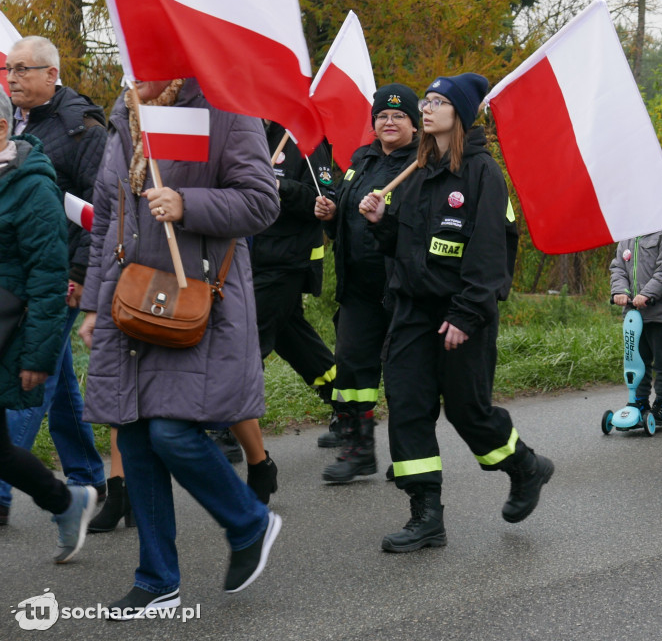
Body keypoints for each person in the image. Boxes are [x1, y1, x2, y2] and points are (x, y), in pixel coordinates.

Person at [78, 78, 282, 614]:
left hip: (200, 307)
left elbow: (261, 202)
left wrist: (186, 203)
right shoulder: (125, 115)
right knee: (138, 436)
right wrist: (96, 306)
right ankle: (157, 580)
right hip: (132, 305)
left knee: (172, 431)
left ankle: (249, 523)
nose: (136, 61)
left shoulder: (225, 106)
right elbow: (105, 220)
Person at [359, 73, 553, 553]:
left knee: (469, 412)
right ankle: (426, 516)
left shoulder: (483, 173)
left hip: (461, 314)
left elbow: (491, 254)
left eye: (438, 102)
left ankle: (525, 467)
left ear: (461, 114)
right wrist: (381, 224)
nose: (426, 109)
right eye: (425, 101)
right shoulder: (418, 170)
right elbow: (403, 246)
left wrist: (467, 315)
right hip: (411, 312)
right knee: (406, 408)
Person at [0, 36, 106, 525]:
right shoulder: (15, 122)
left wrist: (83, 274)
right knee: (56, 379)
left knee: (28, 377)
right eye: (10, 70)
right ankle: (88, 476)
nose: (14, 77)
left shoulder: (81, 127)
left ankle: (2, 493)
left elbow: (97, 208)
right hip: (20, 279)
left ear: (52, 74)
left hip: (54, 275)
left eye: (24, 69)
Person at [211, 120, 336, 502]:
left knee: (246, 340)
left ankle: (228, 429)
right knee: (292, 338)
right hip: (246, 258)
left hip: (288, 262)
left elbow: (323, 199)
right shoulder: (243, 133)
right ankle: (347, 403)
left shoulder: (304, 136)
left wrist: (277, 185)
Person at [314, 84, 420, 484]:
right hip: (358, 289)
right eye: (382, 116)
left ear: (414, 124)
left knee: (403, 378)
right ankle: (358, 451)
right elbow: (345, 213)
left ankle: (411, 456)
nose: (389, 122)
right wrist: (329, 212)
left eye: (399, 116)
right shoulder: (363, 158)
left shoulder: (424, 163)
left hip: (402, 290)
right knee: (353, 371)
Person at [609, 227, 662, 424]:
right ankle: (639, 401)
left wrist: (648, 294)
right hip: (634, 314)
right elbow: (618, 267)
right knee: (636, 360)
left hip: (661, 313)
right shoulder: (627, 236)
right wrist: (620, 291)